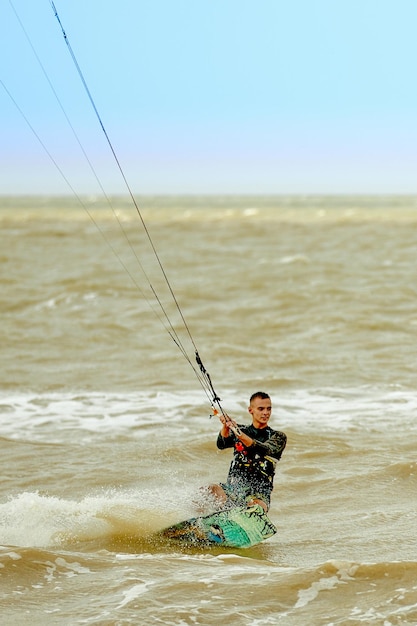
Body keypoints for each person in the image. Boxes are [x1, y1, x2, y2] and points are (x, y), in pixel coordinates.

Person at [206, 391, 286, 513]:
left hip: (258, 495)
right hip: (232, 490)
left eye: (268, 409)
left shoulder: (278, 437)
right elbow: (221, 444)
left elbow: (261, 449)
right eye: (261, 409)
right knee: (207, 490)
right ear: (250, 410)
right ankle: (197, 524)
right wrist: (226, 427)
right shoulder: (241, 429)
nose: (266, 413)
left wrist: (238, 432)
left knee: (255, 506)